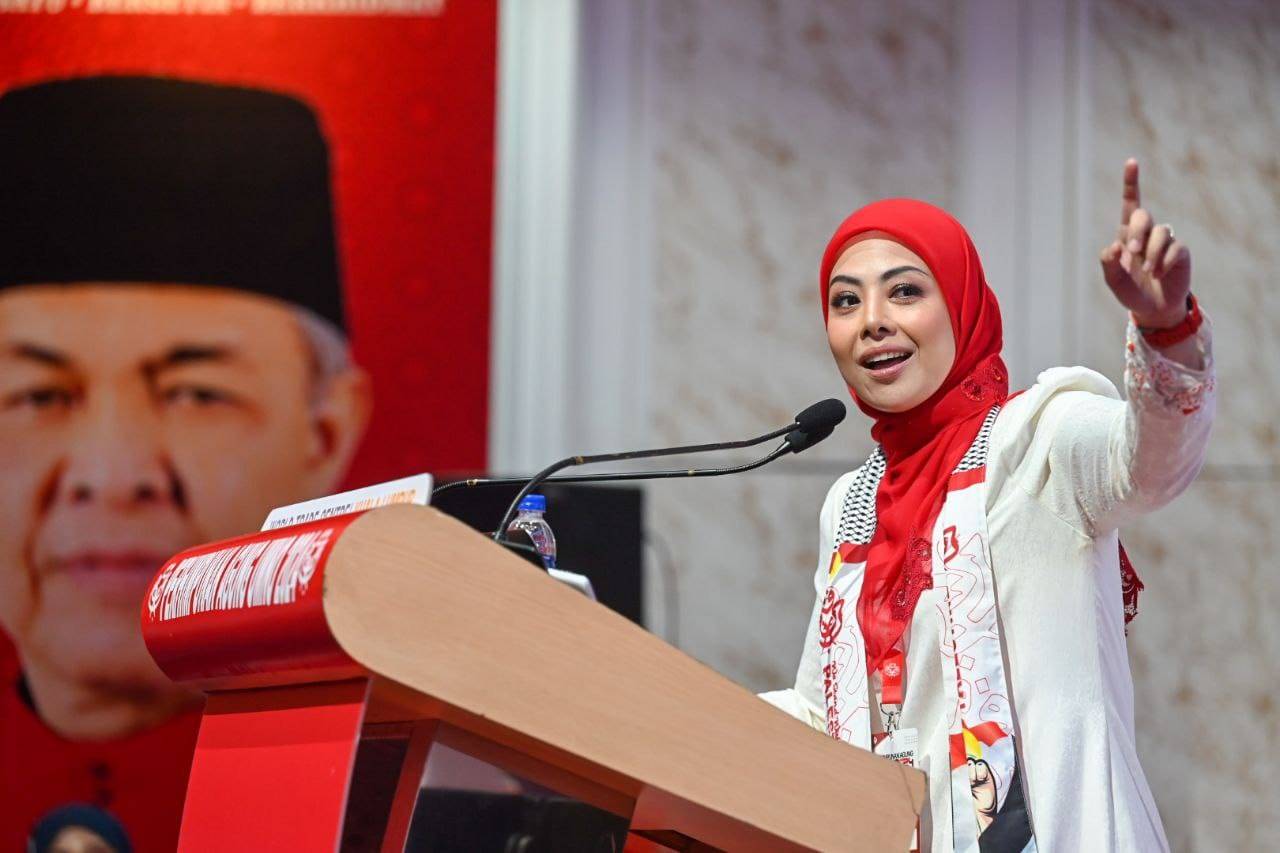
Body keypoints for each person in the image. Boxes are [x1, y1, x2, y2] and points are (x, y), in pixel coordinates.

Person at [762, 160, 1213, 852]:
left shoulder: (1040, 436)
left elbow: (1150, 465)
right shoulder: (850, 503)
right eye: (846, 301)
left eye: (905, 291)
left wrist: (1165, 330)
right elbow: (822, 715)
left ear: (962, 303)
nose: (873, 322)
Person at [0, 76, 371, 851]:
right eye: (38, 394)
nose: (110, 472)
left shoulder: (384, 787)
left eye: (196, 393)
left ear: (326, 434)